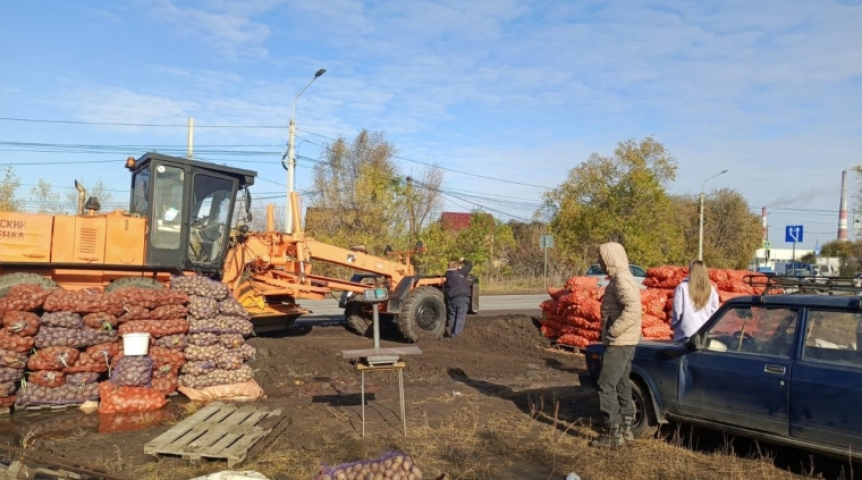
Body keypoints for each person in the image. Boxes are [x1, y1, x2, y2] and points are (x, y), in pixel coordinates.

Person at [591, 242, 642, 448]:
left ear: (611, 258)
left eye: (602, 258)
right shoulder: (623, 277)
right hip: (627, 340)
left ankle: (613, 432)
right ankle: (626, 428)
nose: (600, 262)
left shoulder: (621, 279)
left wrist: (613, 330)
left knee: (605, 384)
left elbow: (633, 308)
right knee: (621, 382)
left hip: (620, 341)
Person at [671, 260, 719, 342]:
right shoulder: (711, 289)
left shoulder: (682, 287)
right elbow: (715, 311)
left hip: (685, 332)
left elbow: (677, 310)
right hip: (703, 332)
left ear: (690, 271)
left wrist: (674, 323)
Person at [443, 257, 473, 338]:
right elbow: (470, 265)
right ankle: (456, 336)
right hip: (462, 297)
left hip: (452, 298)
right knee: (460, 317)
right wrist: (463, 260)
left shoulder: (447, 275)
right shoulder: (460, 272)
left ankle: (453, 333)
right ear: (456, 266)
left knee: (453, 316)